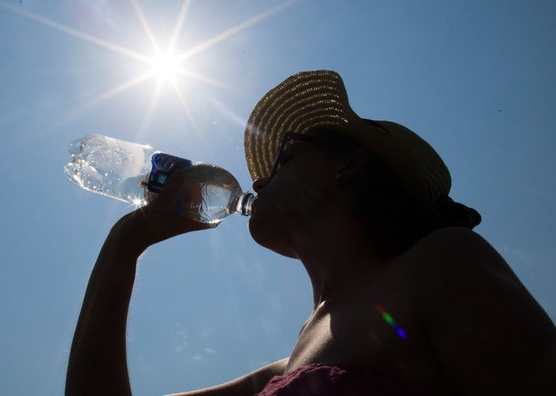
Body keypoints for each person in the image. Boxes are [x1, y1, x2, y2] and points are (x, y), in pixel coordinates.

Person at [65, 70, 556, 395]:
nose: (258, 180)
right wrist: (130, 239)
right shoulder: (283, 369)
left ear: (349, 167)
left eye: (284, 157)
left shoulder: (445, 263)